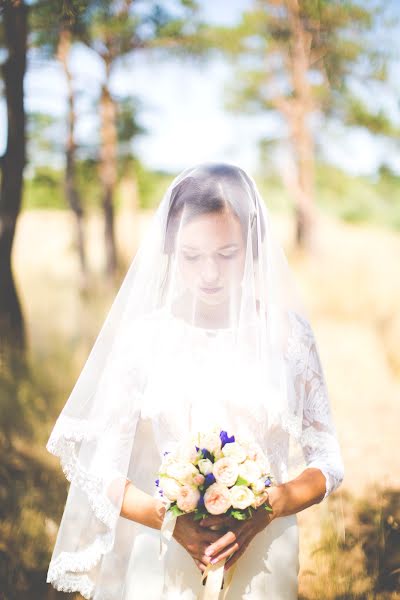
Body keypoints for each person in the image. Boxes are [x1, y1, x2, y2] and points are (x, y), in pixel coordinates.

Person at [46, 163, 344, 599]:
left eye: (227, 254)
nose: (209, 273)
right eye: (192, 256)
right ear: (169, 249)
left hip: (265, 552)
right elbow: (102, 468)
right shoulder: (142, 339)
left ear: (252, 247)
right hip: (162, 551)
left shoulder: (288, 335)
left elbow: (328, 461)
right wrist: (172, 522)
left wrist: (267, 508)